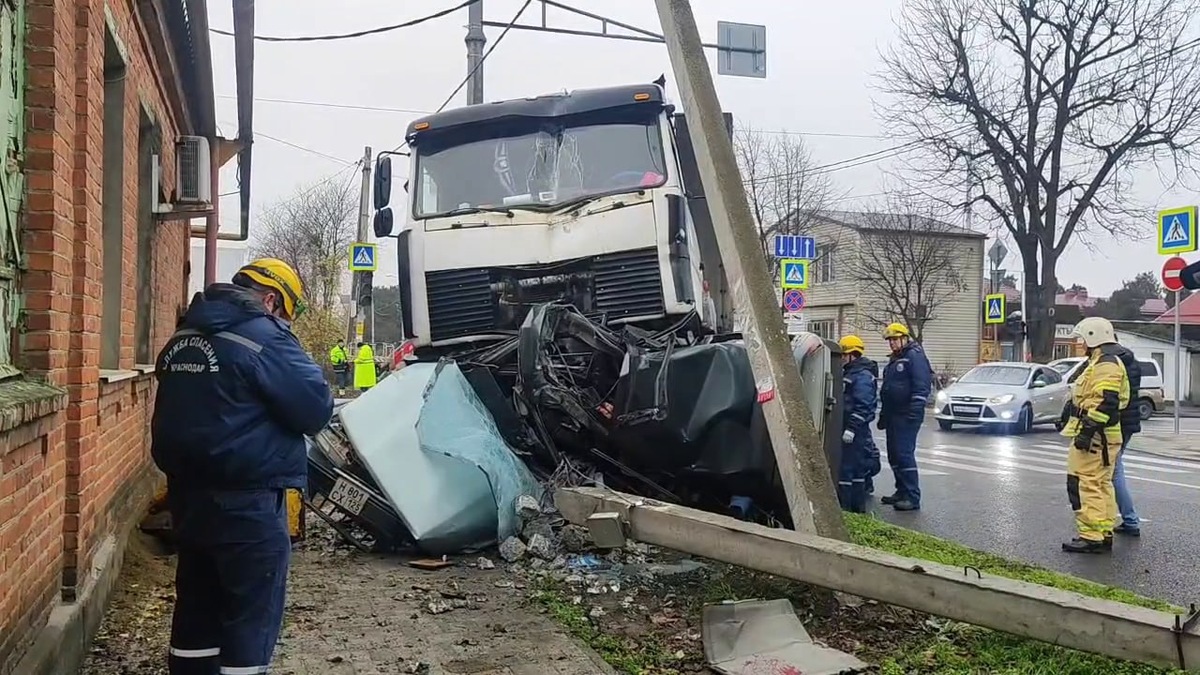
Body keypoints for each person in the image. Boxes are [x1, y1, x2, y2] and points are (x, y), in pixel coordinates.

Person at [151, 257, 334, 674]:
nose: (285, 324)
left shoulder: (185, 335)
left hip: (188, 501)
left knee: (196, 612)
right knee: (249, 619)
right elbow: (315, 409)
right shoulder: (263, 338)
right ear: (271, 300)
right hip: (248, 504)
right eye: (285, 315)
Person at [1061, 317, 1130, 554]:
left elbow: (1106, 402)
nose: (1080, 343)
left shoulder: (1106, 364)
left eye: (1081, 338)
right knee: (1100, 484)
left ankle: (1091, 536)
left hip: (1096, 436)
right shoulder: (1100, 362)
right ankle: (1102, 532)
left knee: (1083, 483)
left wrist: (1087, 432)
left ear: (1093, 336)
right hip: (1102, 435)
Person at [877, 322, 932, 511]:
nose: (892, 343)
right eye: (889, 341)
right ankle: (901, 491)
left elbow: (921, 385)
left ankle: (912, 496)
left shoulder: (914, 357)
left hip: (906, 414)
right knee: (894, 455)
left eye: (894, 339)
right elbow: (888, 389)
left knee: (904, 454)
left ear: (904, 338)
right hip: (894, 414)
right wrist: (884, 414)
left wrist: (915, 410)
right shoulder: (895, 359)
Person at [838, 335, 878, 513]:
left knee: (849, 470)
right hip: (851, 428)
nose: (841, 359)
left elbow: (864, 406)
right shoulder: (851, 373)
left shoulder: (861, 376)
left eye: (843, 355)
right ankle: (854, 509)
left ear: (852, 355)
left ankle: (849, 509)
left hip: (855, 431)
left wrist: (852, 429)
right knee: (853, 470)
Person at [1110, 335, 1143, 536]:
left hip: (1117, 424)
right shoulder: (1131, 360)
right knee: (1114, 470)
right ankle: (1129, 520)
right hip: (1129, 422)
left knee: (1113, 473)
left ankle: (1130, 520)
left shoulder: (1113, 363)